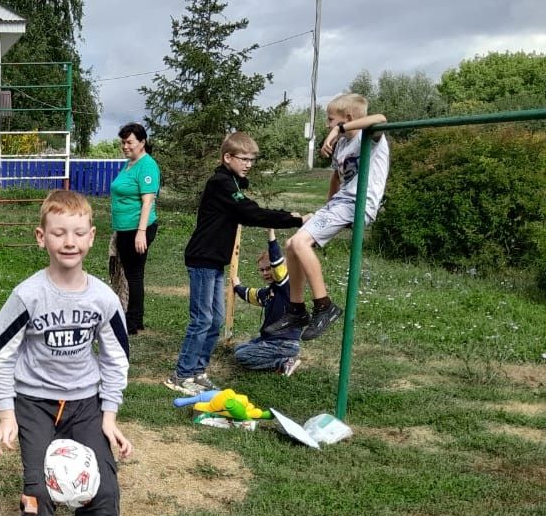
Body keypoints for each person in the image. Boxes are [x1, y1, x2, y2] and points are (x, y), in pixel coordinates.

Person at [0, 189, 134, 516]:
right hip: (33, 404)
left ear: (91, 238)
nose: (68, 241)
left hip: (86, 405)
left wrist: (109, 415)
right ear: (41, 237)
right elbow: (3, 356)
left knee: (104, 491)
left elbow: (116, 357)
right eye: (58, 233)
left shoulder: (104, 299)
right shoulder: (28, 295)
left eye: (77, 233)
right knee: (38, 492)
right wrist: (6, 414)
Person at [165, 132, 305, 397]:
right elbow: (250, 212)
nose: (248, 163)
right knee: (202, 318)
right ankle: (181, 374)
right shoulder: (221, 183)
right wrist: (293, 218)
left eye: (252, 159)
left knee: (215, 319)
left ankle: (198, 371)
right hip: (202, 259)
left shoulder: (231, 182)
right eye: (243, 158)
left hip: (216, 261)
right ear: (227, 157)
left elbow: (245, 204)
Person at [266, 94, 389, 341]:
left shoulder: (369, 137)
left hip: (358, 202)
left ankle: (324, 306)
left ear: (349, 119)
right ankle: (296, 309)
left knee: (300, 243)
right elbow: (336, 177)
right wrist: (326, 209)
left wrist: (338, 130)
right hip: (339, 203)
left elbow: (381, 117)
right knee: (292, 244)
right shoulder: (342, 146)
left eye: (330, 120)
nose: (326, 125)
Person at [108, 122, 160, 332]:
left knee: (134, 274)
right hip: (124, 228)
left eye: (129, 142)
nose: (125, 146)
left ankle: (134, 321)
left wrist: (141, 233)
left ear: (142, 142)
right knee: (127, 272)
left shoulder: (147, 165)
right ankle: (127, 313)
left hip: (138, 229)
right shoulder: (129, 164)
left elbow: (147, 201)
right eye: (123, 142)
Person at [231, 229, 303, 377]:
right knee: (239, 349)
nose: (265, 273)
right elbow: (251, 295)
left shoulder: (286, 286)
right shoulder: (269, 292)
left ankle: (283, 363)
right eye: (262, 270)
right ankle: (281, 358)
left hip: (284, 342)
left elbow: (277, 263)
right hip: (271, 339)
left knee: (242, 356)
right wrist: (237, 286)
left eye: (268, 268)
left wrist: (271, 235)